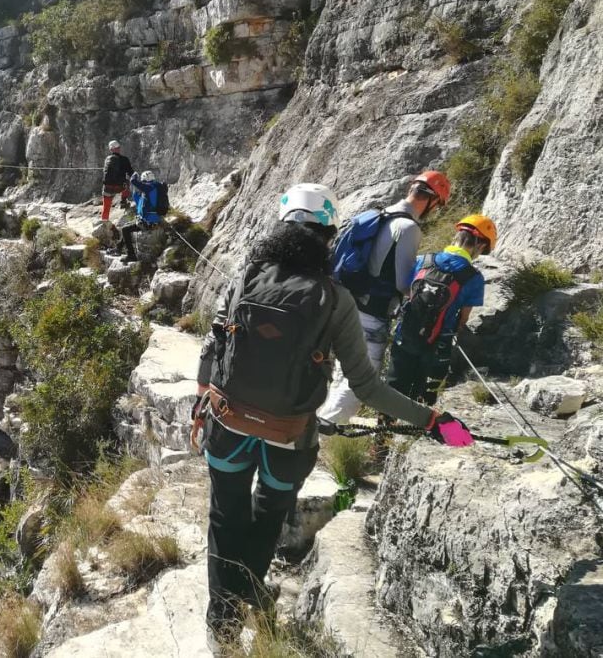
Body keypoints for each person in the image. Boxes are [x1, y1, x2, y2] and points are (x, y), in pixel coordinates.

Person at [193, 183, 473, 644]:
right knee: (268, 514)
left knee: (226, 516)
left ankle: (221, 623)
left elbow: (213, 344)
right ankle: (250, 593)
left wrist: (203, 397)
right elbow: (366, 386)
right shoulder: (335, 298)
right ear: (327, 237)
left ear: (280, 230)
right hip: (291, 435)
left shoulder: (245, 276)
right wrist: (432, 420)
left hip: (228, 422)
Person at [318, 170, 452, 423]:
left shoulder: (378, 213)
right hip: (371, 313)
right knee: (360, 383)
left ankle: (316, 422)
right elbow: (402, 282)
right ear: (432, 200)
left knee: (342, 371)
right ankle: (319, 432)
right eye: (438, 205)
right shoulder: (409, 227)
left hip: (345, 303)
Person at [387, 215, 495, 405]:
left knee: (395, 388)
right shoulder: (473, 277)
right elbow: (463, 318)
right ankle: (416, 429)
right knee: (425, 396)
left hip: (405, 336)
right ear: (479, 245)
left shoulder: (424, 259)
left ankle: (384, 428)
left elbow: (407, 291)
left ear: (457, 236)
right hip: (437, 344)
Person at [116, 170, 166, 262]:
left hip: (149, 222)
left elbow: (134, 181)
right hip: (155, 219)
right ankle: (118, 248)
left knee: (125, 229)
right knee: (128, 226)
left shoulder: (149, 187)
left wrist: (134, 175)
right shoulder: (156, 187)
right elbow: (137, 197)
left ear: (144, 180)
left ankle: (131, 255)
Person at [101, 140, 134, 221]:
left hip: (107, 187)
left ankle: (104, 220)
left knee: (106, 206)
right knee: (127, 182)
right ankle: (123, 201)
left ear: (111, 149)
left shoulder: (107, 159)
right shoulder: (124, 159)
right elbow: (131, 172)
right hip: (120, 187)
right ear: (118, 148)